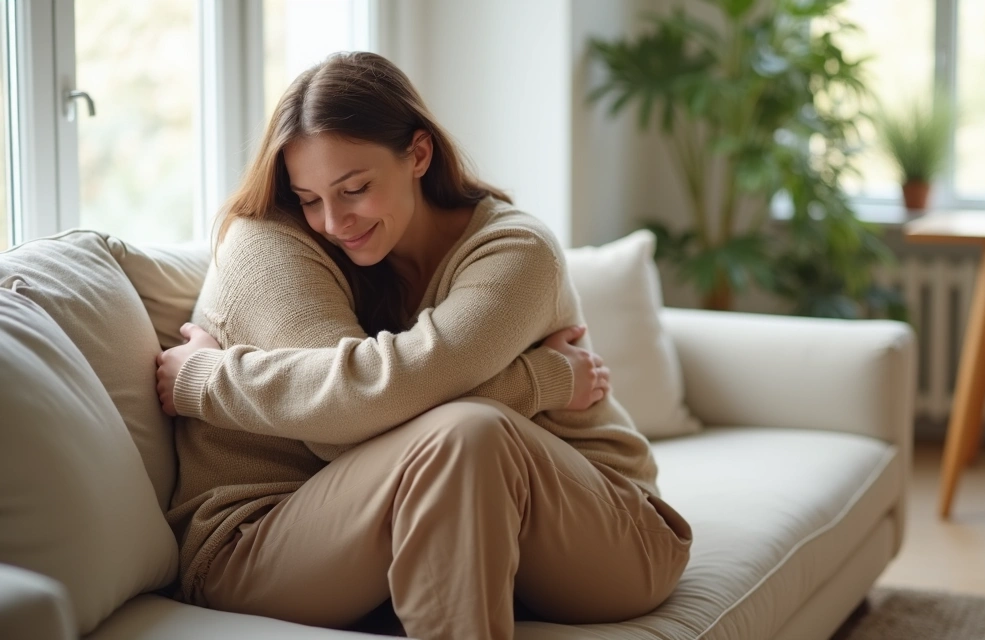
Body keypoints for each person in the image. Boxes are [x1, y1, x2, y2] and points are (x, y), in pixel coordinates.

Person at [154, 51, 691, 639]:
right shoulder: (270, 247)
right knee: (464, 436)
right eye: (309, 198)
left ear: (418, 153)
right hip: (253, 538)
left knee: (466, 436)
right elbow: (353, 427)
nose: (333, 221)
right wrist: (542, 380)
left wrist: (211, 378)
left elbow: (368, 413)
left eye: (354, 189)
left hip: (613, 530)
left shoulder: (513, 252)